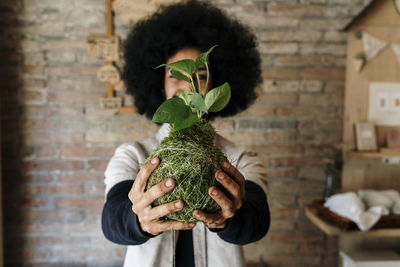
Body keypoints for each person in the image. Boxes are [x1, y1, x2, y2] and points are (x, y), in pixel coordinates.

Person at [101, 1, 270, 267]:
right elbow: (111, 220)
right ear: (160, 86)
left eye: (200, 75)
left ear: (215, 85)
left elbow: (257, 222)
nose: (187, 87)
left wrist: (230, 219)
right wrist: (137, 220)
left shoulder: (238, 159)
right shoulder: (135, 156)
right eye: (175, 75)